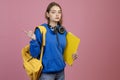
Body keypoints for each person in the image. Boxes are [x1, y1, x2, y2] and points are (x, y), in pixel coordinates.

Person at [25, 2, 78, 80]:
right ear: (47, 14)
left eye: (59, 12)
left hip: (61, 72)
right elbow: (34, 54)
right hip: (46, 74)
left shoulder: (63, 31)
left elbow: (65, 51)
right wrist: (34, 40)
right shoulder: (41, 30)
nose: (57, 14)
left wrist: (74, 54)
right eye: (53, 12)